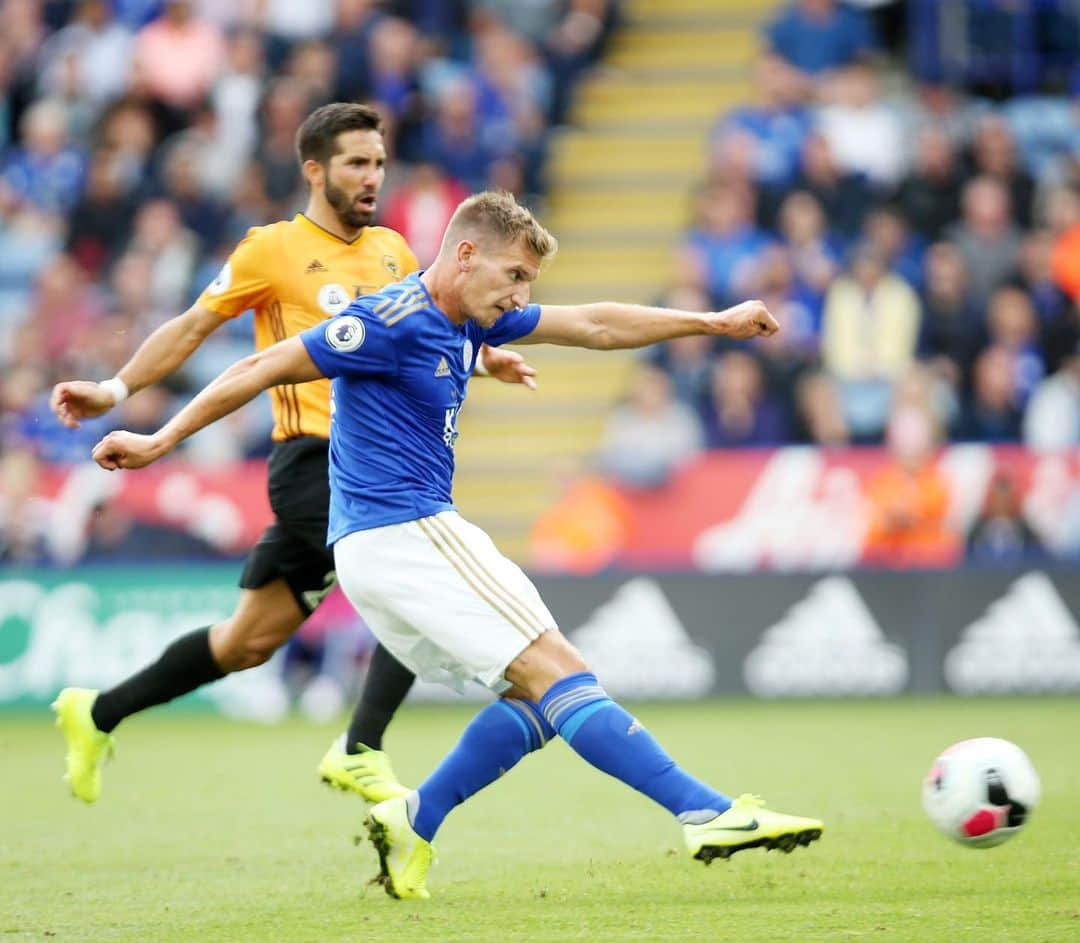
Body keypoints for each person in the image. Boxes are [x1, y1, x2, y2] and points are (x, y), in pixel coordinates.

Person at [91, 191, 824, 900]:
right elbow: (259, 365)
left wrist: (710, 322)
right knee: (563, 671)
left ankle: (415, 820)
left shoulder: (469, 319)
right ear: (466, 254)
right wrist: (160, 438)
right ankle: (707, 814)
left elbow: (595, 324)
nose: (519, 295)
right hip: (405, 531)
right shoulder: (391, 318)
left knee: (538, 697)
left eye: (527, 283)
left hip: (384, 544)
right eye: (514, 276)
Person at [48, 103, 535, 807]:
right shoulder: (270, 249)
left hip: (376, 462)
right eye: (356, 164)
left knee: (247, 640)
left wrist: (488, 364)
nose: (373, 177)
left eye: (379, 163)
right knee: (415, 580)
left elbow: (417, 341)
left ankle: (95, 713)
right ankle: (361, 749)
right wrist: (116, 387)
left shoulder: (396, 251)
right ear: (315, 169)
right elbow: (190, 327)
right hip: (314, 461)